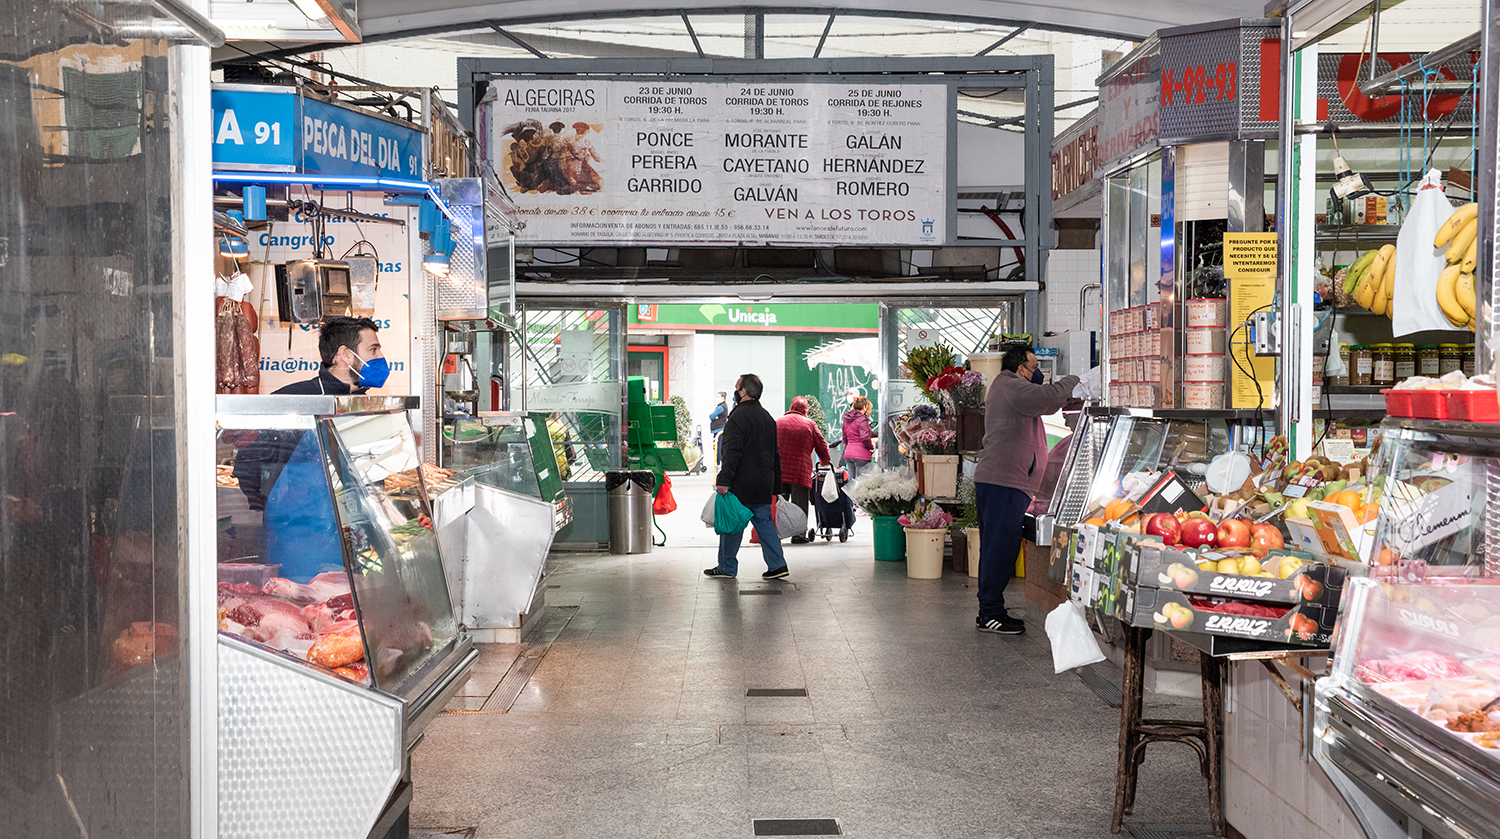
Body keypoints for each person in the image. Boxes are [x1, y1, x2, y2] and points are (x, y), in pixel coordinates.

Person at [972, 345, 1079, 635]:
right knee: (999, 548)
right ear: (1021, 368)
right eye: (1035, 368)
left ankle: (990, 609)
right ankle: (990, 612)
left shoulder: (1009, 387)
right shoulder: (1011, 386)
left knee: (998, 546)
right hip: (1004, 480)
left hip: (1004, 480)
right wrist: (1075, 379)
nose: (1039, 375)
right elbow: (1050, 398)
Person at [705, 373, 786, 580]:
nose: (735, 391)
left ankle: (727, 567)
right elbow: (775, 453)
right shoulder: (767, 417)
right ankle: (778, 565)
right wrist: (776, 486)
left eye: (737, 388)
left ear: (744, 392)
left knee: (732, 522)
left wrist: (724, 479)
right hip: (763, 482)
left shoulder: (738, 416)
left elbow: (732, 452)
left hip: (742, 481)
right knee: (764, 522)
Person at [273, 316, 387, 395]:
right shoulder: (291, 399)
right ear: (345, 354)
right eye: (373, 349)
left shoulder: (371, 407)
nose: (381, 356)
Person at [776, 396, 831, 543]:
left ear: (791, 407)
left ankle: (775, 534)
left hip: (779, 471)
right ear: (805, 410)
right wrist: (825, 461)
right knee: (799, 503)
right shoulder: (809, 424)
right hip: (799, 472)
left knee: (778, 503)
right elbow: (822, 445)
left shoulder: (778, 422)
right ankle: (799, 535)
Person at [841, 396, 875, 478]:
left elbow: (844, 438)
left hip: (848, 454)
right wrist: (871, 447)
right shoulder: (862, 420)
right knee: (860, 483)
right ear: (864, 407)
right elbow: (865, 438)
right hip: (861, 455)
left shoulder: (846, 419)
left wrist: (850, 445)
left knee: (851, 483)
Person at [708, 391, 729, 466]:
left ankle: (718, 465)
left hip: (719, 430)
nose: (716, 398)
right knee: (718, 447)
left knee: (718, 448)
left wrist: (715, 417)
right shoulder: (722, 406)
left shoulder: (721, 407)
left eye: (718, 397)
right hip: (718, 429)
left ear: (723, 398)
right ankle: (719, 464)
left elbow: (711, 416)